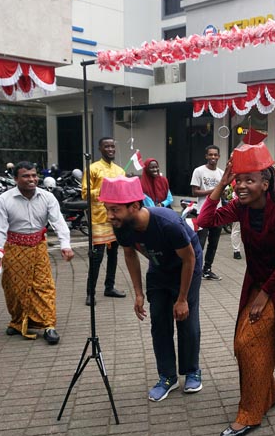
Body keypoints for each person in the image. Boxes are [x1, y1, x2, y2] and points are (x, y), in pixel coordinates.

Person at [196, 148, 275, 436]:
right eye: (237, 180)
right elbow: (205, 220)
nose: (241, 186)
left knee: (247, 343)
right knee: (243, 342)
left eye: (249, 180)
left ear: (265, 183)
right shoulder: (240, 208)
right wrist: (221, 184)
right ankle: (270, 392)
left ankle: (250, 412)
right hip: (255, 283)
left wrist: (264, 295)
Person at [101, 176, 204, 400]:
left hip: (187, 266)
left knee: (185, 318)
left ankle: (192, 371)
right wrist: (138, 293)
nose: (110, 216)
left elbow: (189, 259)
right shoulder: (122, 225)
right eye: (107, 209)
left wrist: (182, 298)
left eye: (115, 210)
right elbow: (130, 254)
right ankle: (167, 377)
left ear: (135, 206)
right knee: (158, 321)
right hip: (159, 268)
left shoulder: (167, 223)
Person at [0, 161, 73, 344]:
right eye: (26, 176)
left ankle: (49, 325)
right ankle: (17, 322)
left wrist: (65, 245)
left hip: (38, 248)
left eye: (34, 175)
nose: (31, 179)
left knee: (44, 286)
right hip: (13, 249)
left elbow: (58, 222)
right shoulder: (4, 200)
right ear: (16, 178)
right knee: (13, 289)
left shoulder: (47, 197)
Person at [82, 137, 126, 306]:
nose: (110, 149)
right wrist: (103, 189)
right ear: (100, 149)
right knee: (97, 257)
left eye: (112, 146)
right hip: (98, 218)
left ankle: (110, 286)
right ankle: (90, 293)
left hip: (116, 219)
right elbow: (85, 193)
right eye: (106, 146)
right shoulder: (92, 168)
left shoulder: (120, 170)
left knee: (114, 254)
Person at [191, 145, 224, 280]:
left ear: (219, 156)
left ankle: (207, 269)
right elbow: (195, 191)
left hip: (218, 212)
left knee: (214, 243)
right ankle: (195, 270)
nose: (213, 157)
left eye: (215, 155)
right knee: (200, 243)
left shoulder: (221, 173)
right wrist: (213, 191)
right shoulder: (199, 171)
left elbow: (223, 192)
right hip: (202, 212)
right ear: (206, 156)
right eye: (210, 155)